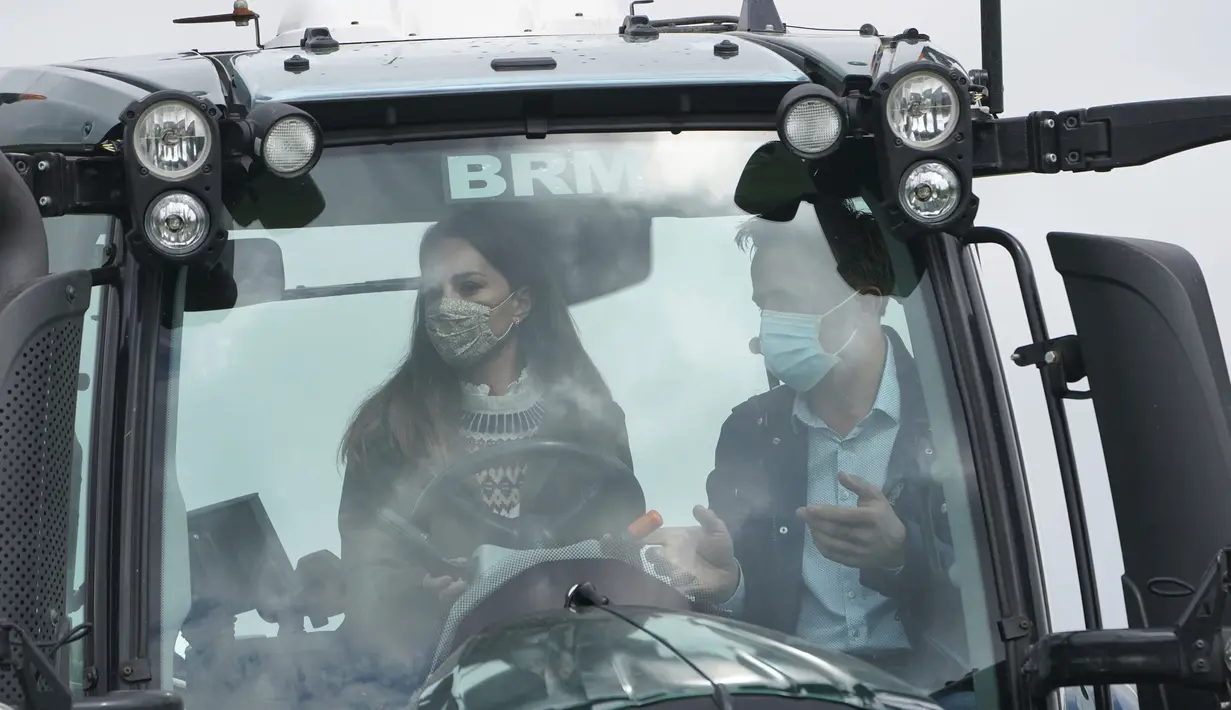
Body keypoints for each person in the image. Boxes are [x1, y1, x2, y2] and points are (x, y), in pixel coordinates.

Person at [650, 199, 968, 690]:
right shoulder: (748, 431)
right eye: (764, 306)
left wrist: (902, 555)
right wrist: (727, 584)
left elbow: (1008, 596)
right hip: (791, 691)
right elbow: (751, 615)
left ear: (868, 299)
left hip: (941, 691)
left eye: (789, 301)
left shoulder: (957, 416)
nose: (771, 325)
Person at [336, 205, 636, 688]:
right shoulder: (387, 431)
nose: (446, 307)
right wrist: (418, 600)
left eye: (469, 288)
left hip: (577, 674)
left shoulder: (594, 424)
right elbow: (367, 577)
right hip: (437, 678)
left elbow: (621, 555)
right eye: (434, 294)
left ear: (520, 303)